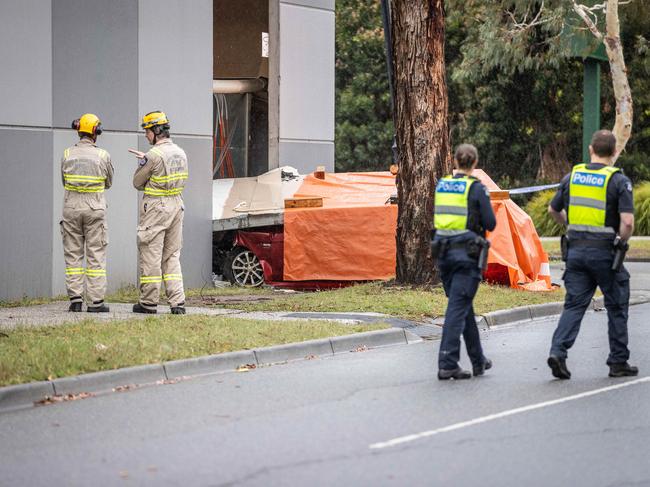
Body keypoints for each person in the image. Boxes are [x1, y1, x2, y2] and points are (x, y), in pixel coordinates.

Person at [547, 129, 637, 379]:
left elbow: (553, 210)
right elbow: (627, 222)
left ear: (591, 150)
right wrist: (621, 240)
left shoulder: (572, 176)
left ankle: (558, 352)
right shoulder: (618, 180)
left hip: (576, 252)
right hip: (606, 254)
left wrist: (570, 225)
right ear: (614, 152)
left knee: (574, 305)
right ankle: (618, 361)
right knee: (617, 305)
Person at [433, 144, 497, 380]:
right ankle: (448, 362)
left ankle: (478, 360)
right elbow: (490, 224)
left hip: (443, 254)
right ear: (474, 163)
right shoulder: (476, 188)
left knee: (463, 305)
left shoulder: (442, 185)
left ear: (455, 161)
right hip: (466, 256)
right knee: (457, 308)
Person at [129, 111, 188, 314]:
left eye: (147, 131)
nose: (146, 135)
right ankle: (178, 303)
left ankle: (148, 303)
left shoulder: (153, 155)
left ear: (156, 130)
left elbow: (137, 183)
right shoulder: (181, 152)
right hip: (177, 206)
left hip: (156, 208)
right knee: (171, 256)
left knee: (151, 254)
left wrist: (145, 161)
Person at [60, 113, 113, 312]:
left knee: (73, 255)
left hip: (71, 208)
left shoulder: (66, 154)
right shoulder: (103, 155)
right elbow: (108, 183)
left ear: (78, 130)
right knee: (95, 254)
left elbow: (64, 182)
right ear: (95, 132)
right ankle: (96, 303)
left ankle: (75, 301)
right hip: (95, 210)